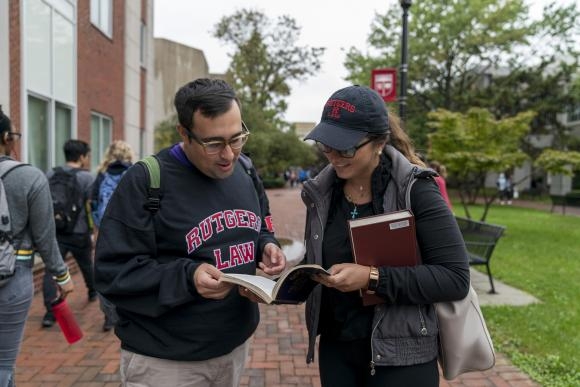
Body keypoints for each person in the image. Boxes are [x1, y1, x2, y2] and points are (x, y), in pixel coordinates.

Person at [94, 78, 287, 387]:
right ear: (184, 133)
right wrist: (188, 277)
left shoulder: (246, 170)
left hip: (234, 348)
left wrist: (266, 246)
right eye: (214, 144)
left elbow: (261, 224)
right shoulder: (147, 180)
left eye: (237, 138)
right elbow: (112, 272)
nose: (228, 155)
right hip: (166, 362)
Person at [301, 85, 470, 387]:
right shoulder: (321, 193)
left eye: (347, 148)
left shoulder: (416, 190)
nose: (334, 157)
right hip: (337, 348)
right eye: (326, 146)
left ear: (379, 142)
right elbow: (321, 262)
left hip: (402, 355)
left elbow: (454, 278)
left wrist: (372, 278)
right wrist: (279, 286)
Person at [0, 106, 74, 387]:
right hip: (12, 277)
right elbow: (45, 237)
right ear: (7, 137)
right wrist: (62, 277)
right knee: (4, 364)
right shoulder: (28, 177)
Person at [41, 140, 95, 328]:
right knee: (87, 265)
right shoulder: (87, 178)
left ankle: (49, 313)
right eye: (87, 155)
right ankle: (92, 291)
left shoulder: (51, 173)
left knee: (51, 271)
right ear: (81, 157)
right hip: (79, 232)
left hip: (57, 230)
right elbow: (92, 205)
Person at [90, 140, 135, 331]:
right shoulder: (134, 172)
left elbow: (92, 202)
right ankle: (128, 309)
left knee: (105, 270)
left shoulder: (101, 175)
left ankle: (109, 315)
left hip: (105, 230)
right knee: (130, 268)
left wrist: (95, 228)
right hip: (129, 230)